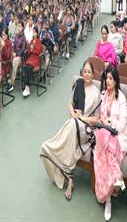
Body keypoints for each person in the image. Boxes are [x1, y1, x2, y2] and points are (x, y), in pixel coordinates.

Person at [40, 60, 101, 201]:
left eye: (89, 72)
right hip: (74, 123)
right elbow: (70, 104)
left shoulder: (96, 92)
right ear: (82, 73)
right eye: (85, 71)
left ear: (93, 74)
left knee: (73, 124)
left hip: (87, 129)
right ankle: (70, 178)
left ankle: (53, 149)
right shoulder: (78, 84)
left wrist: (83, 118)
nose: (87, 74)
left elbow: (97, 119)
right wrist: (73, 114)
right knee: (73, 123)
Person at [94, 67, 127, 221]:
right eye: (106, 78)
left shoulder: (121, 98)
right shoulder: (103, 95)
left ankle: (110, 191)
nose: (108, 81)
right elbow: (99, 117)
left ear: (115, 81)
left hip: (117, 135)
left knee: (106, 149)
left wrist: (109, 122)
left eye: (110, 78)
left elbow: (122, 123)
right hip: (103, 133)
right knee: (103, 140)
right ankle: (114, 181)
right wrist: (102, 122)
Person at [22, 26, 43, 97]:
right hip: (31, 57)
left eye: (35, 32)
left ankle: (27, 86)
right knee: (26, 66)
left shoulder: (39, 41)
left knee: (29, 67)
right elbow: (29, 52)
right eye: (33, 32)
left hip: (37, 58)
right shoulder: (31, 41)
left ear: (37, 33)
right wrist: (30, 50)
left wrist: (33, 48)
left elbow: (39, 52)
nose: (34, 33)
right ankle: (27, 86)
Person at [9, 21, 27, 93]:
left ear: (22, 28)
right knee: (9, 58)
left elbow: (23, 49)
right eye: (18, 26)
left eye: (20, 26)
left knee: (14, 61)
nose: (19, 28)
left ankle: (11, 83)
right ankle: (9, 78)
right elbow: (14, 46)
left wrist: (16, 54)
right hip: (15, 54)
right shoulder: (16, 35)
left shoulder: (23, 37)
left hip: (20, 57)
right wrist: (13, 52)